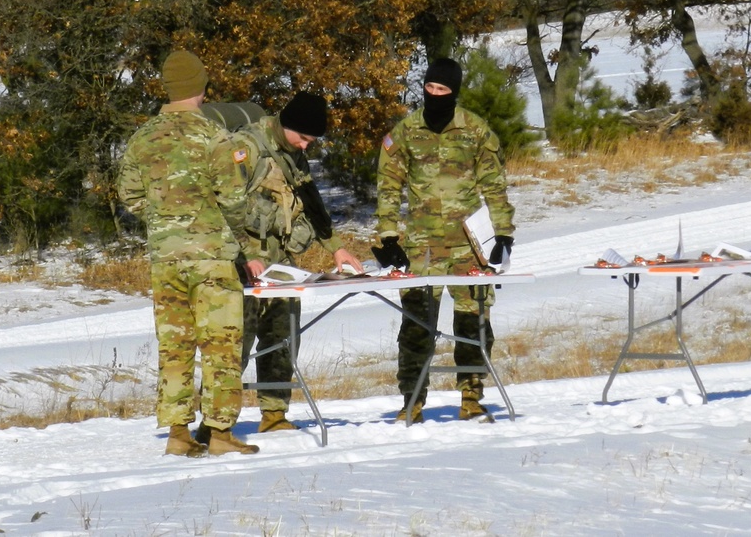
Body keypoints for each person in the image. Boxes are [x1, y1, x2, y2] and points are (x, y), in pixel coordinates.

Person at [116, 50, 263, 457]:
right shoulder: (215, 137)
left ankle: (178, 435)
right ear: (201, 87)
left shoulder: (142, 137)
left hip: (166, 258)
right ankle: (218, 433)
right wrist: (242, 245)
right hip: (212, 256)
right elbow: (233, 200)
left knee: (175, 346)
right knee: (221, 344)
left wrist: (166, 221)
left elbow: (128, 194)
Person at [200, 91, 362, 439]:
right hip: (239, 264)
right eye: (303, 138)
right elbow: (220, 205)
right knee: (233, 345)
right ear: (287, 124)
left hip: (279, 264)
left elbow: (310, 199)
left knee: (283, 335)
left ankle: (274, 413)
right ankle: (214, 424)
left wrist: (336, 248)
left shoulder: (293, 155)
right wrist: (244, 255)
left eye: (312, 141)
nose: (306, 146)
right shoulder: (247, 148)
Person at [374, 57, 516, 424]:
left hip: (468, 245)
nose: (434, 94)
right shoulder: (405, 132)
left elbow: (494, 186)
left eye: (443, 89)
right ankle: (412, 399)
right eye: (430, 88)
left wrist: (503, 234)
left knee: (474, 322)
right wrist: (389, 236)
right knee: (417, 324)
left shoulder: (475, 131)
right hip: (422, 247)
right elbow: (388, 185)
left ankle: (471, 395)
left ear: (454, 92)